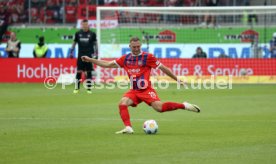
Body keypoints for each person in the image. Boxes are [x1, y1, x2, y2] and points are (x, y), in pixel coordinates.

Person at [81, 37, 201, 134]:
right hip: (134, 90)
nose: (137, 48)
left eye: (138, 46)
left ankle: (184, 105)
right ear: (130, 46)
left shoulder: (148, 57)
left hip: (146, 90)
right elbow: (107, 64)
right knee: (122, 103)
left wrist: (177, 79)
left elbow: (163, 68)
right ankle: (128, 128)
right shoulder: (125, 58)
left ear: (141, 46)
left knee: (159, 108)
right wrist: (90, 60)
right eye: (134, 47)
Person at [69, 19, 97, 94]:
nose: (85, 26)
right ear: (82, 25)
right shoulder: (78, 33)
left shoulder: (92, 34)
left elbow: (95, 44)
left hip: (89, 56)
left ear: (88, 25)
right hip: (80, 55)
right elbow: (74, 43)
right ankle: (76, 88)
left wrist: (96, 53)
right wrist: (71, 52)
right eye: (83, 24)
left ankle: (89, 89)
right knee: (79, 72)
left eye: (86, 24)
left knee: (89, 72)